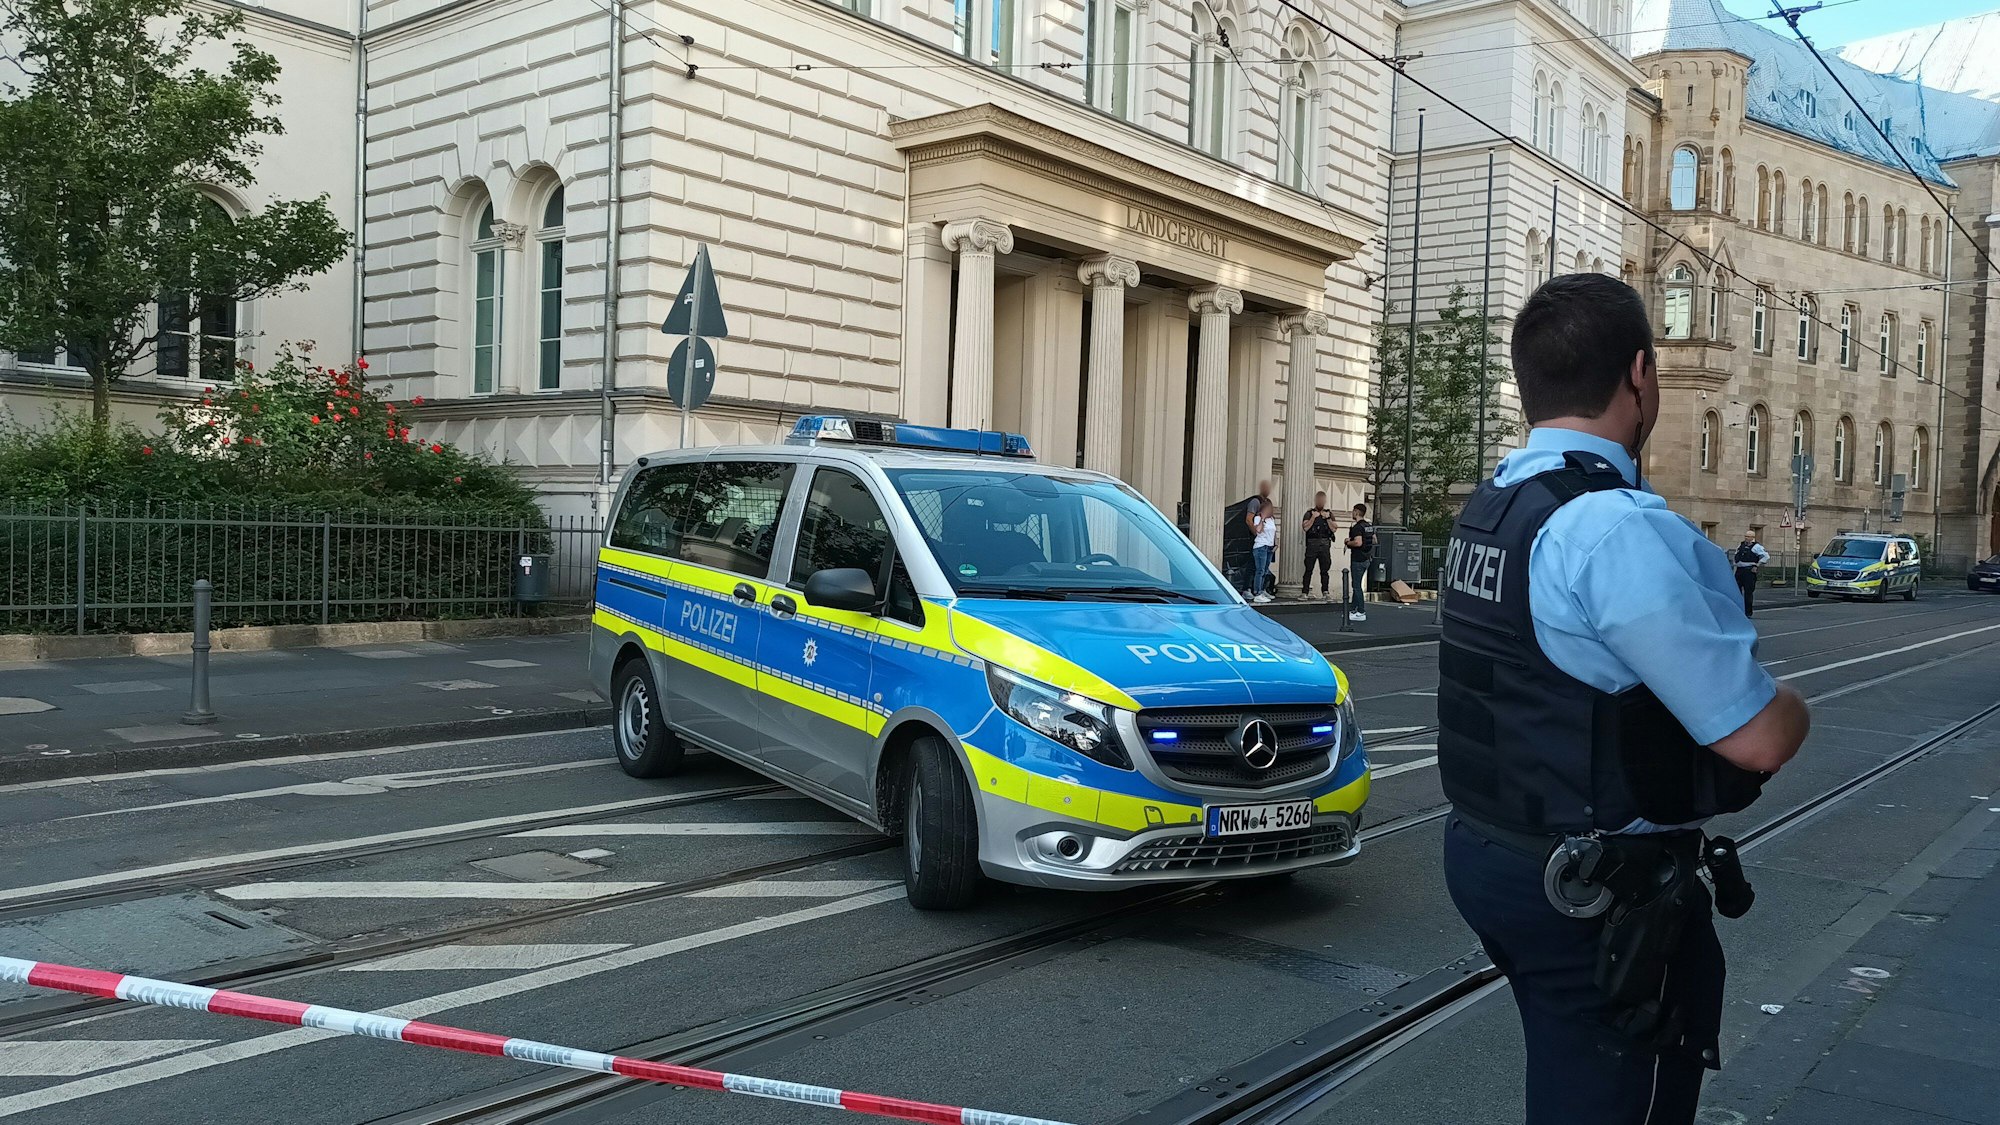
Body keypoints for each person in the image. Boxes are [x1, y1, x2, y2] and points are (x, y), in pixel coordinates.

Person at [1435, 274, 1811, 1125]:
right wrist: (1797, 701)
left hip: (1491, 850)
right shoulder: (1613, 527)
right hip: (1594, 888)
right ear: (1641, 374)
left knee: (1568, 1067)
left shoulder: (1495, 507)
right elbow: (1755, 739)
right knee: (1620, 1094)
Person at [1301, 491, 1337, 599]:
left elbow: (1334, 528)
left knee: (1324, 570)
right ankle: (1305, 592)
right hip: (1312, 544)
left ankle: (1325, 591)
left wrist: (1328, 518)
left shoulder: (1328, 513)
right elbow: (1305, 527)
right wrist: (1313, 518)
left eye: (1322, 500)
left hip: (1325, 544)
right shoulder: (1309, 513)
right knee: (1308, 569)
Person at [1343, 503, 1374, 621]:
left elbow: (1358, 542)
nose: (1352, 513)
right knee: (1357, 584)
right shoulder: (1368, 526)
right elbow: (1374, 539)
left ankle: (1361, 611)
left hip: (1358, 559)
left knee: (1356, 586)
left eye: (1353, 511)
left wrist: (1348, 542)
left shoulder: (1357, 527)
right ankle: (1353, 610)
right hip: (1367, 558)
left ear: (1356, 512)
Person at [1732, 531, 1770, 617]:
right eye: (1746, 536)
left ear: (1752, 537)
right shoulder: (1741, 545)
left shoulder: (1757, 547)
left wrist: (1757, 565)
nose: (1746, 538)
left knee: (1748, 592)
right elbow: (1736, 555)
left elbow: (1766, 556)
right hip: (1739, 570)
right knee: (1736, 591)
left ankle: (1748, 612)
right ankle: (1738, 610)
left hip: (1749, 571)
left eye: (1749, 536)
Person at [1248, 498, 1278, 604]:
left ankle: (1263, 590)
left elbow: (1274, 531)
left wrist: (1276, 543)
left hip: (1269, 547)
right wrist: (1262, 518)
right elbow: (1258, 530)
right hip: (1261, 546)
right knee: (1260, 570)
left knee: (1265, 570)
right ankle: (1257, 592)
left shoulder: (1272, 520)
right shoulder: (1258, 518)